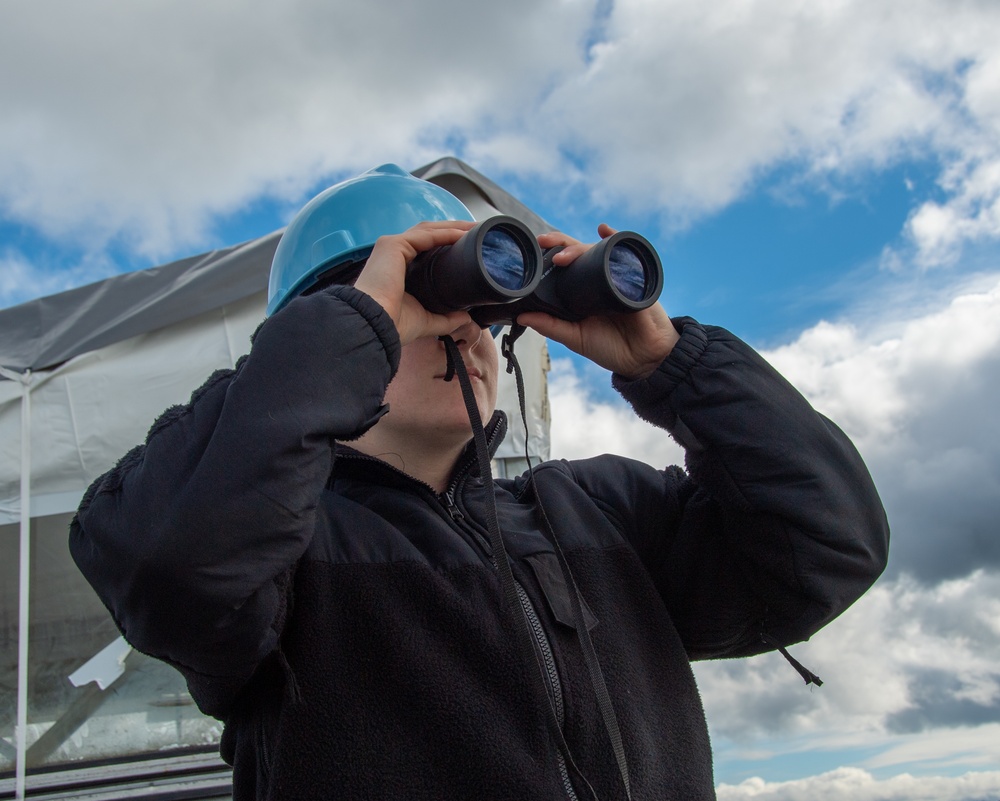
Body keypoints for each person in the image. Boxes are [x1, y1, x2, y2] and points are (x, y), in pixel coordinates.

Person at [70, 164, 889, 801]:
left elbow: (826, 543)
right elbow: (162, 563)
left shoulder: (596, 510)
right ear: (328, 332)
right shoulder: (279, 551)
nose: (458, 328)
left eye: (476, 310)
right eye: (417, 304)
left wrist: (672, 364)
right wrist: (350, 333)